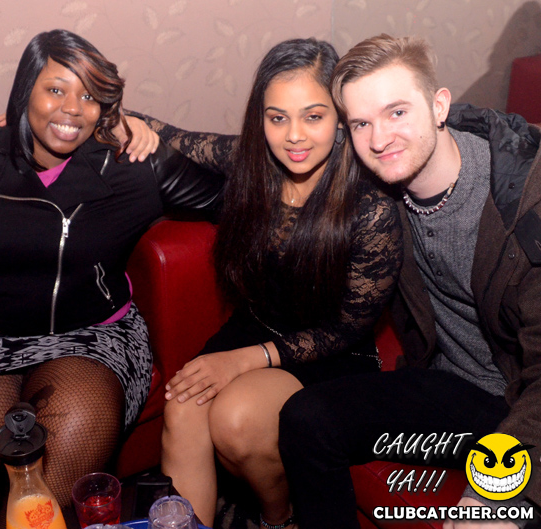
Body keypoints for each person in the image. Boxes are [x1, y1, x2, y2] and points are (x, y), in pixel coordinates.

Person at [0, 29, 223, 528]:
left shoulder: (132, 163)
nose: (73, 109)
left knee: (39, 512)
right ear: (25, 92)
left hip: (93, 339)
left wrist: (155, 131)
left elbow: (240, 189)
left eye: (91, 96)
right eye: (55, 90)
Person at [277, 34, 541, 529]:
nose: (379, 139)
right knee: (304, 419)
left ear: (439, 106)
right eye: (361, 123)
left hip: (523, 401)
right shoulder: (379, 184)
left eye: (397, 112)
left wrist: (498, 494)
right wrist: (149, 134)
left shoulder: (525, 206)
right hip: (453, 393)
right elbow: (263, 151)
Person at [138, 39, 403, 529]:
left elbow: (345, 330)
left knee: (236, 420)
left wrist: (245, 359)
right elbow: (175, 137)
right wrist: (114, 119)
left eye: (313, 116)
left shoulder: (371, 207)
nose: (293, 136)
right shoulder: (253, 164)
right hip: (254, 328)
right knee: (182, 408)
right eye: (277, 118)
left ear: (341, 118)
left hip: (331, 356)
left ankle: (277, 517)